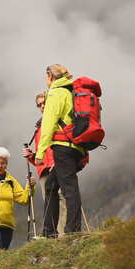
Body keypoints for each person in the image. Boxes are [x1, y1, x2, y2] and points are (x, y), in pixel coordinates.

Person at [35, 64, 87, 237]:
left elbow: (48, 124)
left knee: (69, 188)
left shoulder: (56, 93)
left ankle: (72, 230)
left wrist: (40, 153)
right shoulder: (70, 91)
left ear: (50, 76)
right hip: (76, 146)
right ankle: (49, 232)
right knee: (51, 185)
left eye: (46, 76)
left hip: (63, 146)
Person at [22, 92, 66, 235]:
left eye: (44, 102)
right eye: (39, 105)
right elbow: (42, 155)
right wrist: (32, 156)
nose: (42, 106)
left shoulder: (57, 120)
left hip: (57, 165)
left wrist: (58, 161)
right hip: (44, 170)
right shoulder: (39, 127)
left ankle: (64, 234)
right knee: (49, 202)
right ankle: (53, 234)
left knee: (60, 199)